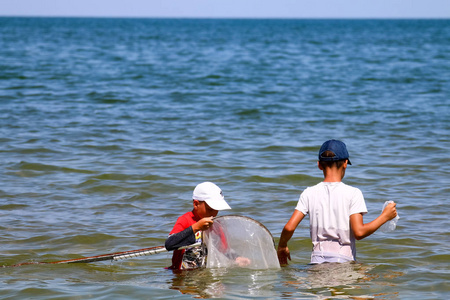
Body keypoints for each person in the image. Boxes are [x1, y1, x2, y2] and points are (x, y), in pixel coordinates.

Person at [277, 139, 398, 265]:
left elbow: (289, 227)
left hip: (316, 262)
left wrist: (282, 246)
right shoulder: (353, 193)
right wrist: (385, 216)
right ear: (345, 163)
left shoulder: (309, 193)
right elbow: (359, 232)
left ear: (319, 165)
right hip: (343, 262)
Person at [165, 182, 249, 270]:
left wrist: (236, 257)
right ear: (196, 204)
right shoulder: (186, 220)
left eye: (217, 210)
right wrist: (196, 227)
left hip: (202, 272)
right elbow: (169, 244)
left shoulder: (216, 225)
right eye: (210, 209)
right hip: (182, 275)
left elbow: (223, 250)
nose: (214, 214)